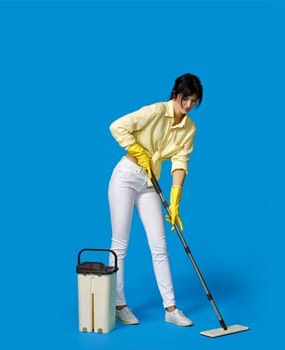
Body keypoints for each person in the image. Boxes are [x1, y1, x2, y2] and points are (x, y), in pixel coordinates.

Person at [106, 73, 201, 327]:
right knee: (120, 243)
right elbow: (117, 126)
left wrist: (175, 197)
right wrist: (138, 150)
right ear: (175, 94)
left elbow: (181, 160)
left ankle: (171, 308)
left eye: (194, 101)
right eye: (185, 99)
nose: (189, 105)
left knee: (159, 246)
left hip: (150, 183)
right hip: (126, 177)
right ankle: (119, 305)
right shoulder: (156, 111)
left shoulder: (189, 128)